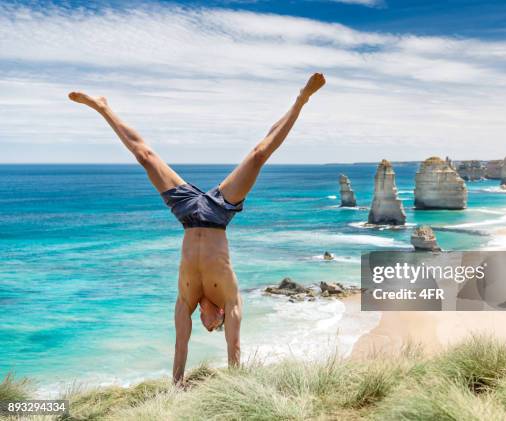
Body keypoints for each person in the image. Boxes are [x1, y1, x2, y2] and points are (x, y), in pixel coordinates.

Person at [68, 73, 326, 384]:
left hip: (187, 214)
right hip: (219, 213)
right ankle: (301, 99)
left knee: (145, 157)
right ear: (218, 317)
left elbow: (180, 346)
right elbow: (235, 346)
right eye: (213, 327)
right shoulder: (231, 300)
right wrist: (238, 385)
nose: (208, 327)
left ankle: (102, 107)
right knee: (258, 156)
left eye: (207, 328)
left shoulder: (185, 301)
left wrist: (176, 386)